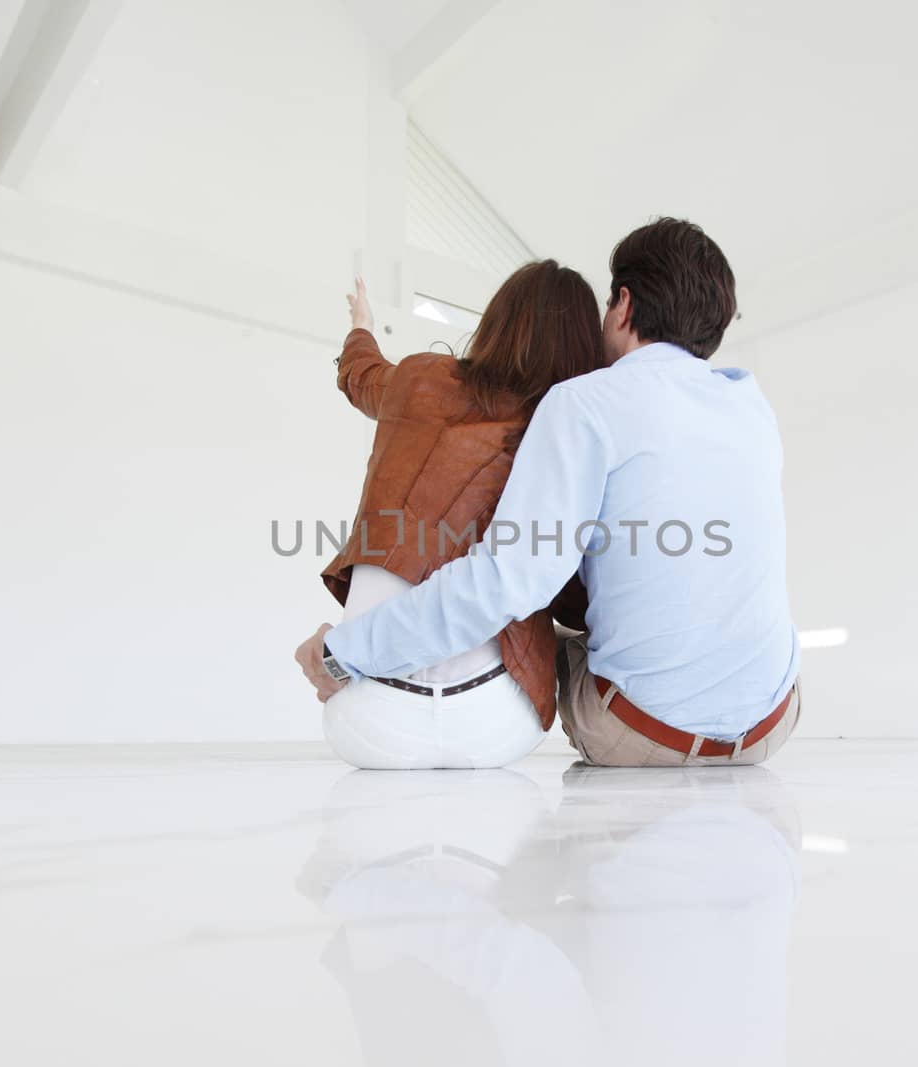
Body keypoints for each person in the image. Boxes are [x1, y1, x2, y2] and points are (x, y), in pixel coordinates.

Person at [297, 218, 801, 767]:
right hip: (771, 728)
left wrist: (344, 653)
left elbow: (509, 579)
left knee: (526, 602)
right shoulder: (752, 407)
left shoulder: (582, 403)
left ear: (624, 306)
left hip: (643, 735)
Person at [311, 263, 603, 769]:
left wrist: (361, 326)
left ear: (496, 321)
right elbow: (573, 604)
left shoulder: (418, 380)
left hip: (363, 724)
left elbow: (361, 375)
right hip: (498, 730)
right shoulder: (563, 434)